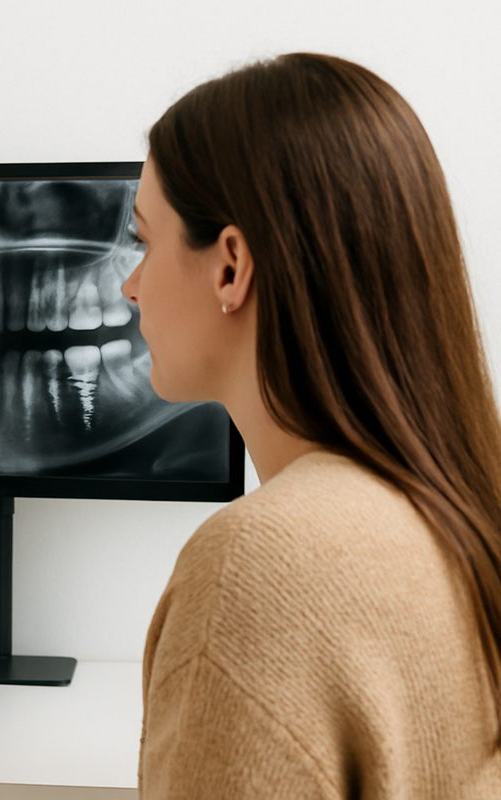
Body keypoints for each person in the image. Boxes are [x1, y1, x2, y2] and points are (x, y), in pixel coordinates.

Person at [123, 53, 501, 796]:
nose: (131, 286)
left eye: (144, 242)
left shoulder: (258, 567)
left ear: (231, 266)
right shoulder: (458, 509)